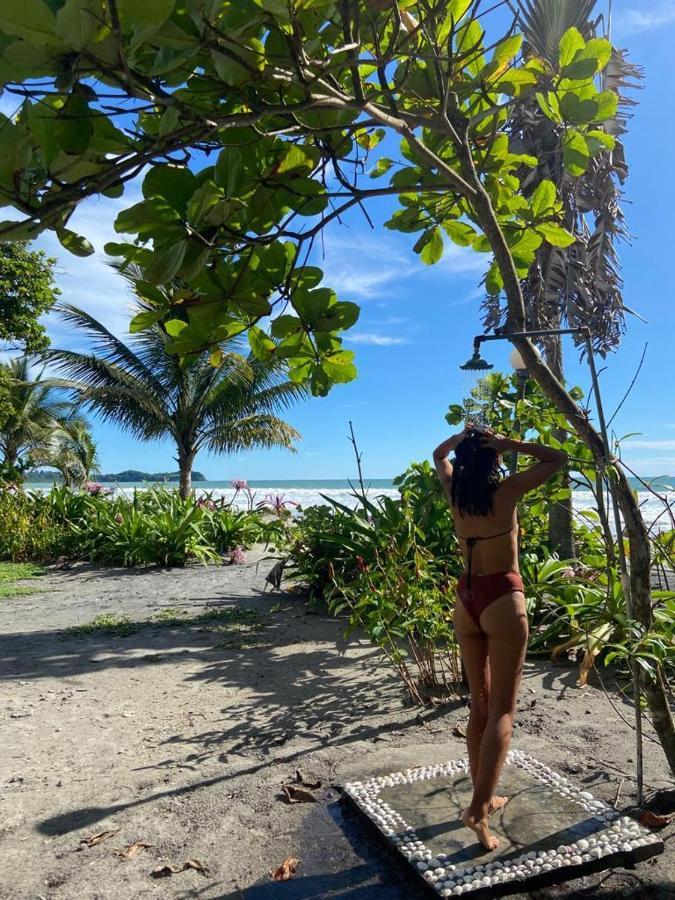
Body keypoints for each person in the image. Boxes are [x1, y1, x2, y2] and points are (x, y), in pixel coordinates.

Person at [433, 424, 567, 850]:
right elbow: (556, 458)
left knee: (480, 705)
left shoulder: (455, 492)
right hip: (502, 599)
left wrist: (460, 441)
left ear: (464, 462)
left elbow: (438, 455)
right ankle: (476, 808)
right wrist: (511, 444)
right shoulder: (505, 493)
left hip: (466, 599)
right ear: (493, 460)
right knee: (503, 714)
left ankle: (484, 796)